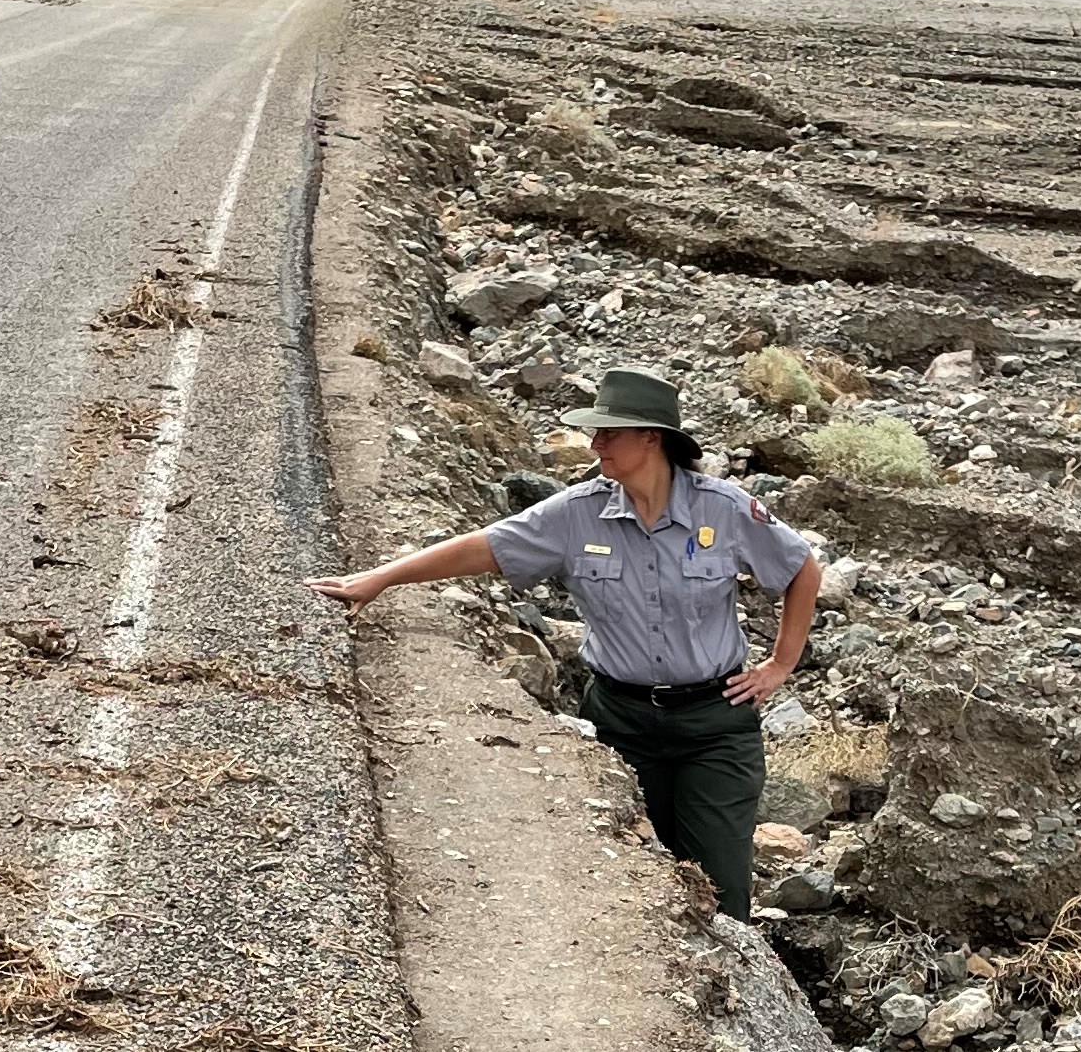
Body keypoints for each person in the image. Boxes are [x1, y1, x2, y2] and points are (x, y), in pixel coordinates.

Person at [305, 365, 822, 920]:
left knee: (718, 892)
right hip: (620, 722)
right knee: (634, 883)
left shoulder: (723, 509)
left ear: (651, 437)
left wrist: (779, 665)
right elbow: (484, 548)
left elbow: (801, 568)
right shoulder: (576, 513)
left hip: (715, 725)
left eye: (609, 432)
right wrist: (381, 577)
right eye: (594, 431)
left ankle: (731, 996)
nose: (595, 443)